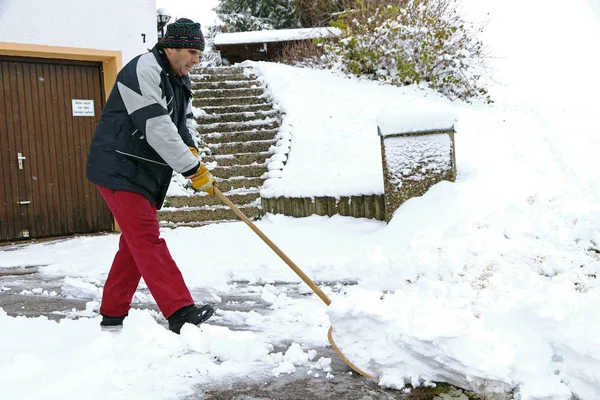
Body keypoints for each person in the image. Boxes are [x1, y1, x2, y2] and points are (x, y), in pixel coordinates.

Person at [86, 18, 216, 334]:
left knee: (133, 245)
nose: (196, 60)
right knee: (146, 237)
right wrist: (192, 169)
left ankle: (112, 314)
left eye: (199, 53)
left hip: (144, 171)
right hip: (118, 166)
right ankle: (179, 310)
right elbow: (156, 126)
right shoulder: (142, 70)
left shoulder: (178, 80)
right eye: (191, 51)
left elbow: (182, 123)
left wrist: (192, 149)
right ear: (171, 47)